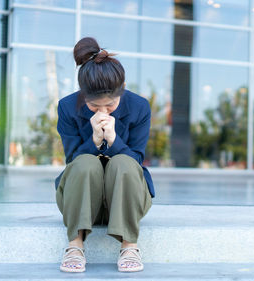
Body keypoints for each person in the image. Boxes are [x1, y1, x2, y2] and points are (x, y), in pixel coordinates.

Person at [54, 37, 155, 273]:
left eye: (110, 105)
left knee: (124, 162)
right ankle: (75, 244)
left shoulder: (139, 107)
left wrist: (113, 140)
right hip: (79, 200)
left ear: (122, 89)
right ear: (83, 94)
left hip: (126, 199)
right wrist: (94, 141)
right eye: (94, 106)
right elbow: (72, 161)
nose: (102, 112)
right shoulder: (67, 107)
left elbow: (137, 160)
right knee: (85, 163)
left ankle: (129, 245)